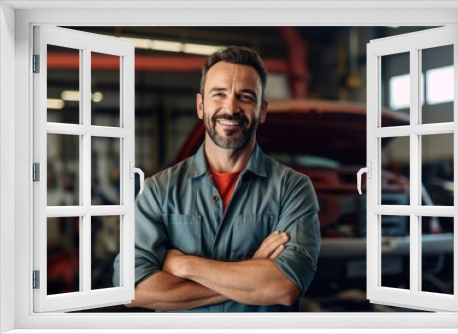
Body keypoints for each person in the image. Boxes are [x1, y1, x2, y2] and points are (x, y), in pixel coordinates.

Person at [113, 46, 321, 312]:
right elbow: (132, 290)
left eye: (245, 97)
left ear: (262, 110)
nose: (230, 108)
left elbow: (283, 287)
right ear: (201, 105)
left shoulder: (292, 188)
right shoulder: (158, 190)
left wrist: (185, 265)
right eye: (219, 94)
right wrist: (252, 274)